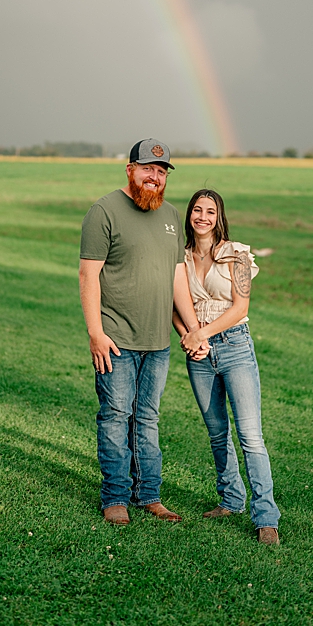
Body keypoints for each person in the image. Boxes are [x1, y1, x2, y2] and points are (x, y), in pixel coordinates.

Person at [79, 140, 208, 526]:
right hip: (115, 340)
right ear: (130, 169)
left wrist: (194, 330)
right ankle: (115, 497)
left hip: (158, 344)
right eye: (149, 169)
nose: (155, 177)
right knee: (116, 417)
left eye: (163, 171)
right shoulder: (104, 211)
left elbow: (177, 278)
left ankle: (148, 495)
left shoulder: (169, 215)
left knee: (147, 419)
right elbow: (88, 275)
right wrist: (95, 333)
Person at [181, 190, 281, 545]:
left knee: (250, 436)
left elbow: (240, 308)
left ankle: (266, 517)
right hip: (198, 354)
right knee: (216, 432)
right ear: (189, 214)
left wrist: (201, 333)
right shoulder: (180, 258)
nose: (203, 216)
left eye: (210, 211)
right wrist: (189, 338)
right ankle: (231, 499)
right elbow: (174, 307)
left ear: (219, 216)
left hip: (234, 345)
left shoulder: (236, 255)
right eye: (197, 209)